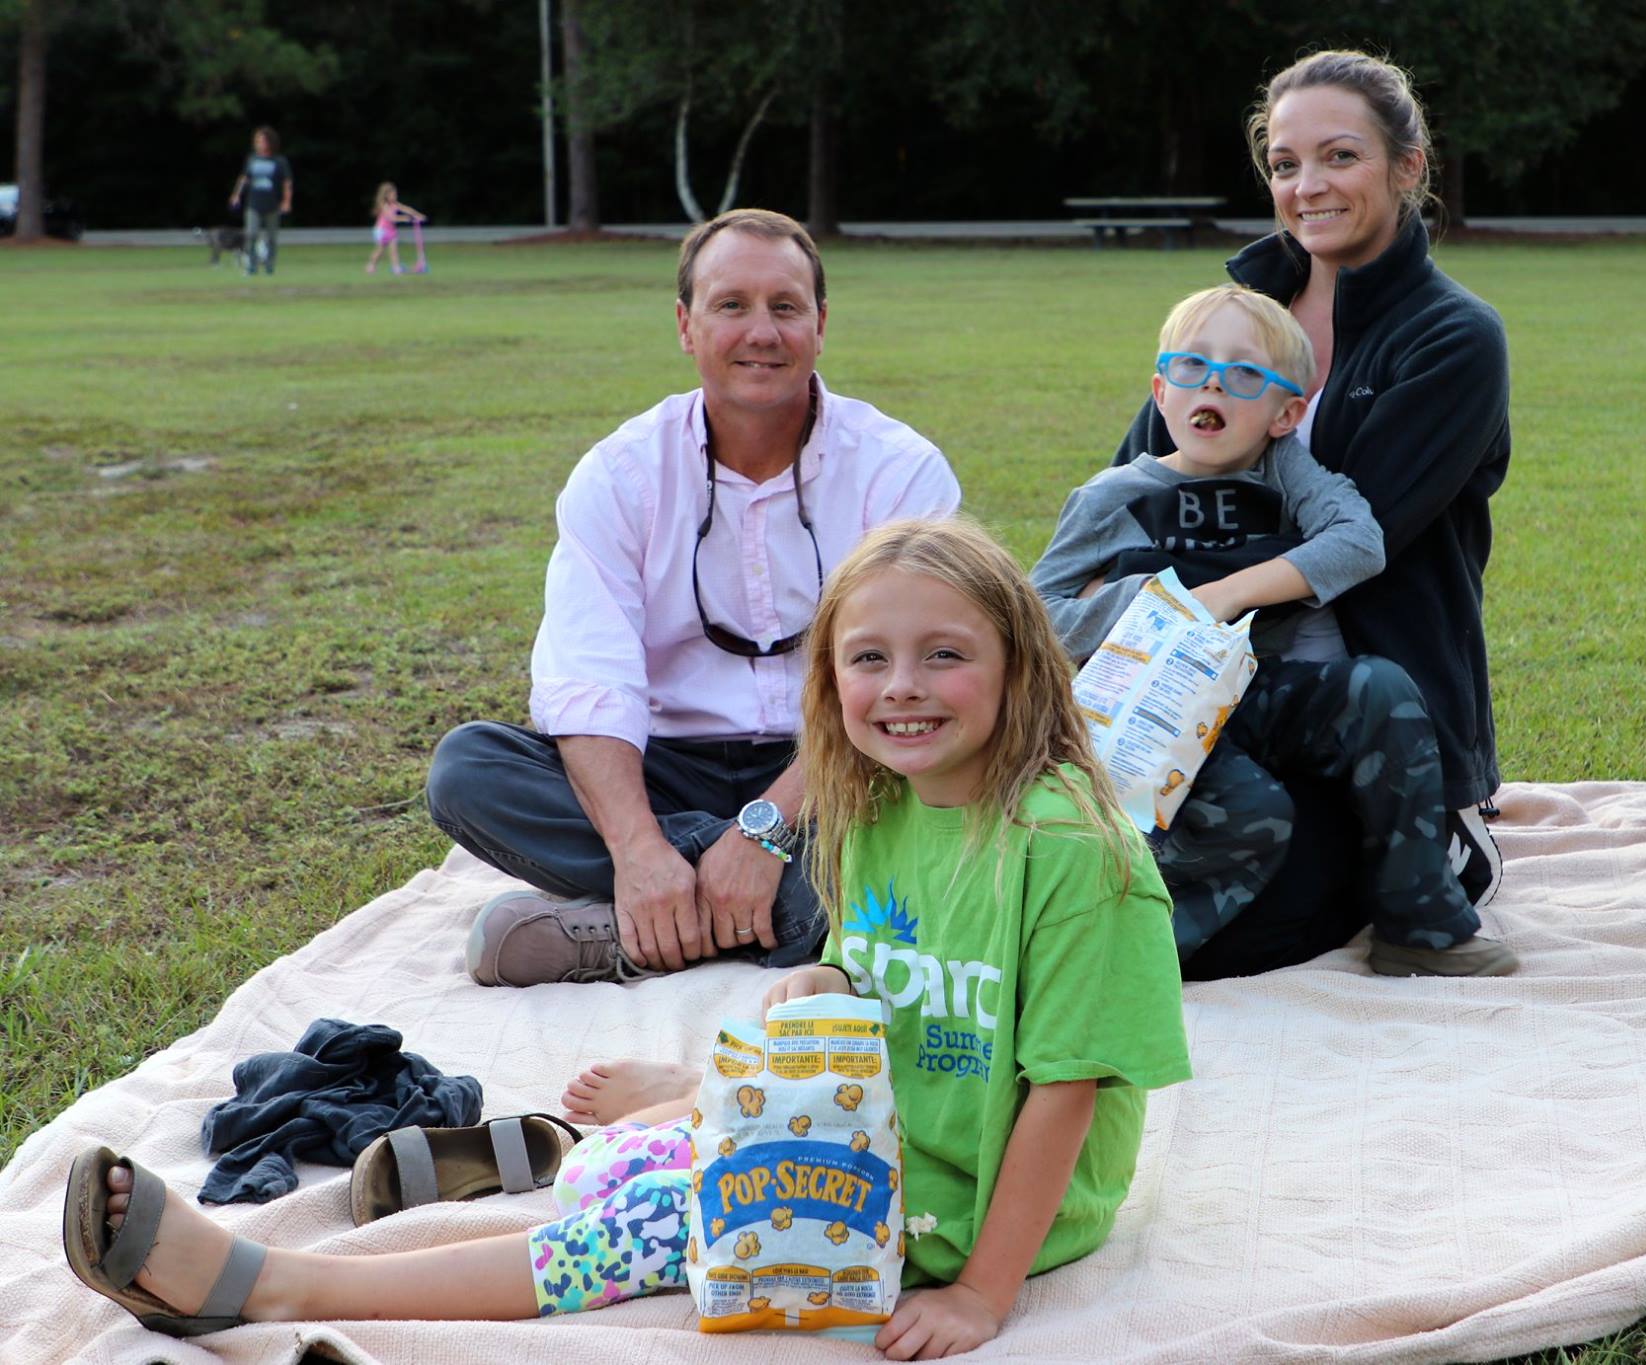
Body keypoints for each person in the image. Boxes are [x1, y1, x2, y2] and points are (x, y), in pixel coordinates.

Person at [63, 519, 1191, 1362]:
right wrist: (822, 978)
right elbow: (876, 968)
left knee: (650, 1228)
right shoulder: (881, 807)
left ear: (1017, 666)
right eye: (866, 658)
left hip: (954, 1209)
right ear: (827, 679)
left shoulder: (1075, 856)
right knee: (657, 1151)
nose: (901, 688)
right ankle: (578, 1146)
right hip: (876, 1122)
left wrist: (982, 1295)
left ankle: (270, 1287)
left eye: (944, 655)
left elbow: (1066, 1091)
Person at [425, 208, 961, 989]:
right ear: (686, 324)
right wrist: (642, 847)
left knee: (937, 803)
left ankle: (626, 932)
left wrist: (770, 828)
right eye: (731, 305)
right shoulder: (621, 475)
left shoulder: (900, 472)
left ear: (820, 323)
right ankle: (759, 905)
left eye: (785, 306)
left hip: (842, 763)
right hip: (666, 764)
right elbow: (591, 680)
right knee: (469, 770)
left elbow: (907, 687)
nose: (762, 332)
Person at [1113, 50, 1513, 971]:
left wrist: (1193, 596)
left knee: (1260, 926)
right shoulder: (1234, 320)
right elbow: (1136, 484)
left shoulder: (1454, 338)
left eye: (1340, 157)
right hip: (1191, 700)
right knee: (1105, 888)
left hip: (1368, 711)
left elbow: (1354, 540)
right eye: (1286, 165)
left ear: (1406, 167)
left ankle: (1441, 863)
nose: (1309, 186)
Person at [1033, 285, 1513, 976]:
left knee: (1380, 688)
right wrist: (1148, 600)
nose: (1215, 387)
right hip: (1162, 711)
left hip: (1265, 691)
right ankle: (1135, 953)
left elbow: (1358, 543)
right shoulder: (1114, 496)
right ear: (1161, 390)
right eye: (1193, 367)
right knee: (1258, 812)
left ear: (1286, 413)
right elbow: (1033, 617)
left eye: (1245, 374)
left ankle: (1417, 919)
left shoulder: (1285, 471)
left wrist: (1225, 592)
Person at [227, 127, 292, 277]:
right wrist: (236, 194)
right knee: (251, 234)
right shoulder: (252, 159)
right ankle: (252, 265)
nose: (258, 143)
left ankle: (269, 266)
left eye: (261, 140)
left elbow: (287, 182)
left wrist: (286, 201)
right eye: (256, 141)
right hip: (254, 204)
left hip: (272, 204)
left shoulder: (279, 161)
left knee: (272, 237)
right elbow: (244, 178)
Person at [365, 182, 424, 275]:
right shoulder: (384, 206)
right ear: (386, 195)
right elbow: (391, 218)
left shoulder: (395, 204)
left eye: (395, 194)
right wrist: (404, 218)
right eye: (393, 194)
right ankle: (371, 265)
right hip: (382, 231)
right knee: (380, 250)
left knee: (394, 250)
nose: (395, 195)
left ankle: (396, 267)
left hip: (391, 231)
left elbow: (406, 209)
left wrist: (417, 215)